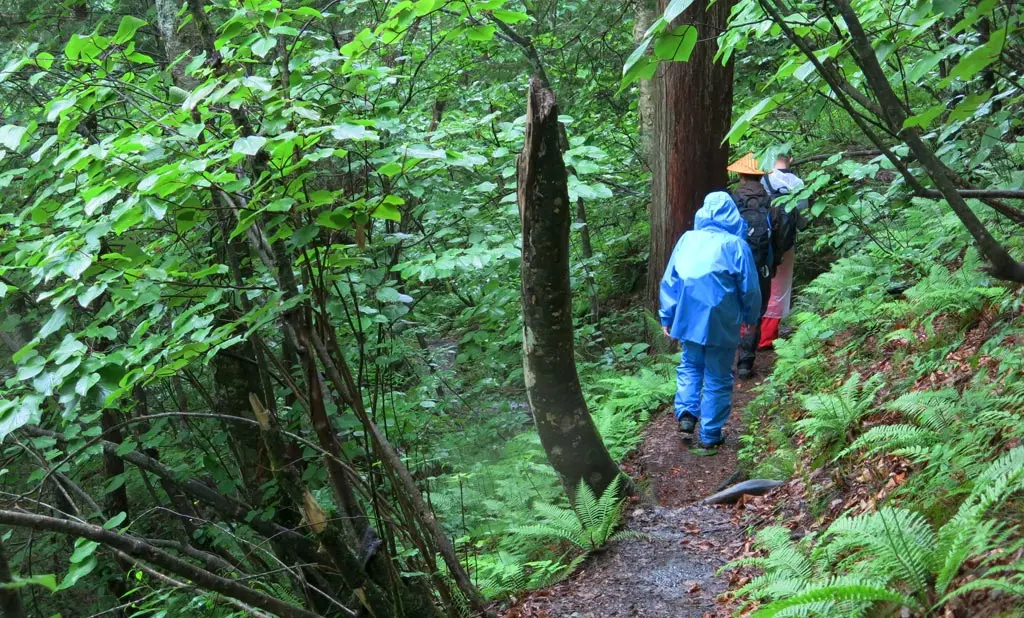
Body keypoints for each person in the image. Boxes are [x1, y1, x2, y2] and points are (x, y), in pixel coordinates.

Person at [659, 192, 761, 449]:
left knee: (690, 365)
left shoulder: (687, 239)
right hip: (722, 318)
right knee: (717, 374)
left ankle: (686, 415)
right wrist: (750, 317)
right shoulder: (737, 246)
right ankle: (710, 435)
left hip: (689, 315)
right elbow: (749, 288)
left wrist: (667, 315)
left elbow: (671, 280)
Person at [728, 153, 776, 379]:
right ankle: (746, 362)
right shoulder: (771, 201)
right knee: (755, 310)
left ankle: (728, 359)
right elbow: (781, 235)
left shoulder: (731, 201)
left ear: (740, 175)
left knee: (731, 307)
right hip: (762, 266)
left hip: (734, 265)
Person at [758, 153, 807, 349]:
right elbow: (803, 220)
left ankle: (748, 333)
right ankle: (767, 338)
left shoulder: (762, 180)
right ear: (791, 159)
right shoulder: (797, 182)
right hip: (785, 243)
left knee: (756, 283)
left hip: (760, 242)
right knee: (779, 288)